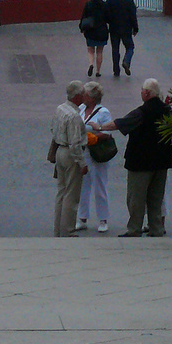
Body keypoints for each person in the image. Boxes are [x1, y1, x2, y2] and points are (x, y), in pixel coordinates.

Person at [115, 78, 172, 237]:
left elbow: (121, 124)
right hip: (162, 161)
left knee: (136, 198)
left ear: (147, 93)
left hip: (140, 162)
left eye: (142, 90)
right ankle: (156, 228)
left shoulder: (141, 112)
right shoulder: (167, 110)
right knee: (156, 198)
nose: (141, 92)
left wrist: (99, 127)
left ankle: (134, 228)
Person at [48, 81, 89, 236]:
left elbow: (52, 128)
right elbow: (75, 144)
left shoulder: (60, 109)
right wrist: (82, 163)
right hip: (71, 155)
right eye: (83, 93)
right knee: (72, 194)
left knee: (61, 191)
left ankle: (58, 228)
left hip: (59, 151)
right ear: (78, 96)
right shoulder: (74, 116)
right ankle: (68, 230)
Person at [77, 81, 117, 232]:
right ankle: (82, 218)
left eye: (85, 94)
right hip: (83, 151)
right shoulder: (81, 109)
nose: (82, 96)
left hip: (97, 152)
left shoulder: (103, 112)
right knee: (83, 185)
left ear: (92, 97)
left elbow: (107, 132)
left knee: (100, 185)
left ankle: (103, 219)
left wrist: (94, 137)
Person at [105, 0, 139, 78]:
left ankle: (116, 70)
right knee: (130, 47)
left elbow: (106, 14)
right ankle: (126, 61)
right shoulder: (129, 1)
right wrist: (135, 28)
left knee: (115, 49)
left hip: (114, 28)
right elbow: (133, 15)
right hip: (126, 28)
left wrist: (109, 22)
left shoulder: (110, 1)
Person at [81, 0, 108, 77]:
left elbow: (83, 17)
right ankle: (98, 71)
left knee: (90, 50)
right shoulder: (104, 5)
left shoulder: (88, 4)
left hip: (90, 30)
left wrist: (81, 28)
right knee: (99, 51)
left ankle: (91, 64)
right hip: (101, 31)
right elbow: (108, 18)